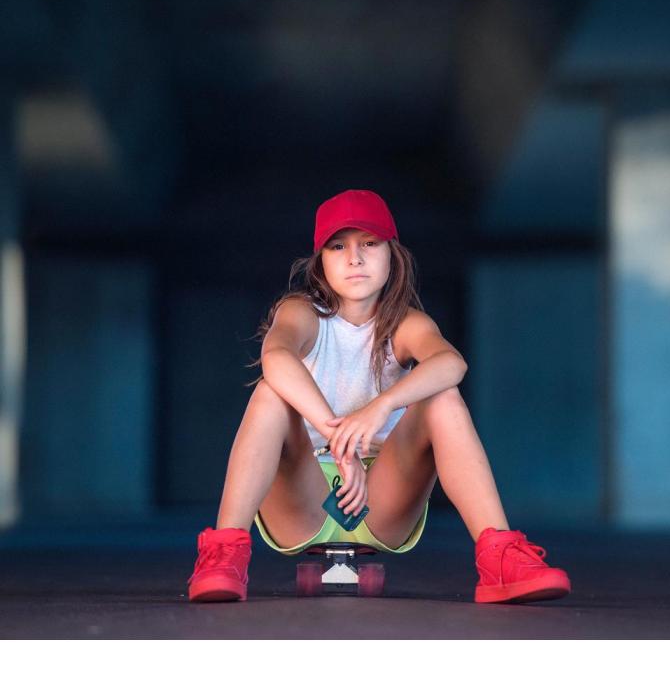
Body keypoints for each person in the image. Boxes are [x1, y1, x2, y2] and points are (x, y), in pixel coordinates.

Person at [187, 189, 571, 604]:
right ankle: (224, 554)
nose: (355, 258)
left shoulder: (406, 323)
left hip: (383, 498)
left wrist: (380, 407)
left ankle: (500, 557)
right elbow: (275, 357)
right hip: (302, 499)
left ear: (392, 255)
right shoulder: (302, 312)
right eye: (338, 247)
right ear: (321, 263)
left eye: (369, 243)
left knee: (442, 396)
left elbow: (451, 363)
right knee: (270, 393)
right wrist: (339, 440)